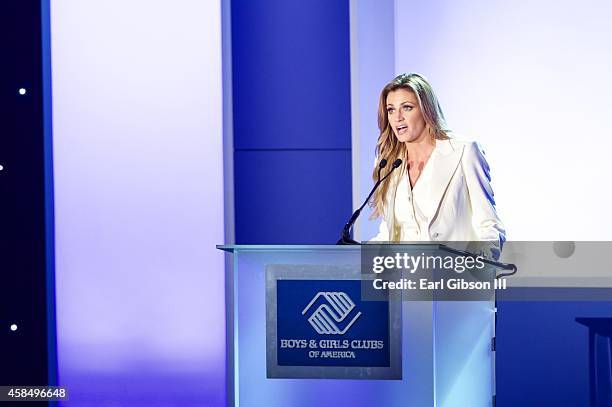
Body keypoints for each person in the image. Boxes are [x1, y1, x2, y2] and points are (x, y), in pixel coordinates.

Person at [369, 73, 505, 259]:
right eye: (391, 110)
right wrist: (350, 259)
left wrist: (477, 268)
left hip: (455, 280)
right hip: (406, 284)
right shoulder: (390, 164)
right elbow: (389, 235)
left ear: (426, 110)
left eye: (407, 108)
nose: (397, 118)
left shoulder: (464, 151)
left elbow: (489, 225)